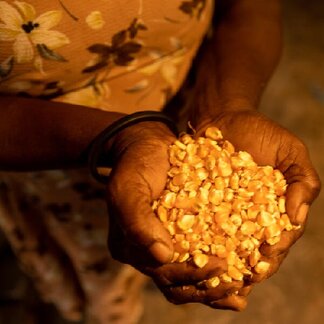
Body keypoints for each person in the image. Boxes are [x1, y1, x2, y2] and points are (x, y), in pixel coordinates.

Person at [0, 0, 320, 322]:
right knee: (90, 266)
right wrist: (118, 138)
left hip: (187, 99)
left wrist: (227, 103)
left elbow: (252, 8)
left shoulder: (202, 144)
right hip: (44, 153)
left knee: (151, 251)